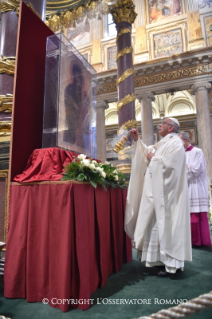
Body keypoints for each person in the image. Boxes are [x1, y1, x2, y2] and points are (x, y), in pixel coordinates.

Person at [125, 118, 192, 277]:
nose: (159, 125)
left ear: (171, 128)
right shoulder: (163, 143)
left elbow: (171, 165)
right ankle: (157, 261)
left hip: (166, 197)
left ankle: (170, 264)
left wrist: (153, 160)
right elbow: (147, 152)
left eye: (163, 123)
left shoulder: (175, 143)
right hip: (155, 194)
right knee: (154, 227)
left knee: (165, 227)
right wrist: (137, 140)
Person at [179, 132, 211, 247]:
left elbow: (196, 169)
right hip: (184, 186)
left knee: (196, 214)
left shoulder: (198, 152)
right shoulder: (179, 154)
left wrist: (182, 169)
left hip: (196, 186)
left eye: (180, 141)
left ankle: (199, 241)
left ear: (187, 140)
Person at [64, 63, 90, 149]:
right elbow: (68, 104)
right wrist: (76, 109)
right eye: (75, 77)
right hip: (72, 121)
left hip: (81, 122)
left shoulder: (83, 93)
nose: (77, 80)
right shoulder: (69, 88)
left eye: (79, 77)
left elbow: (86, 112)